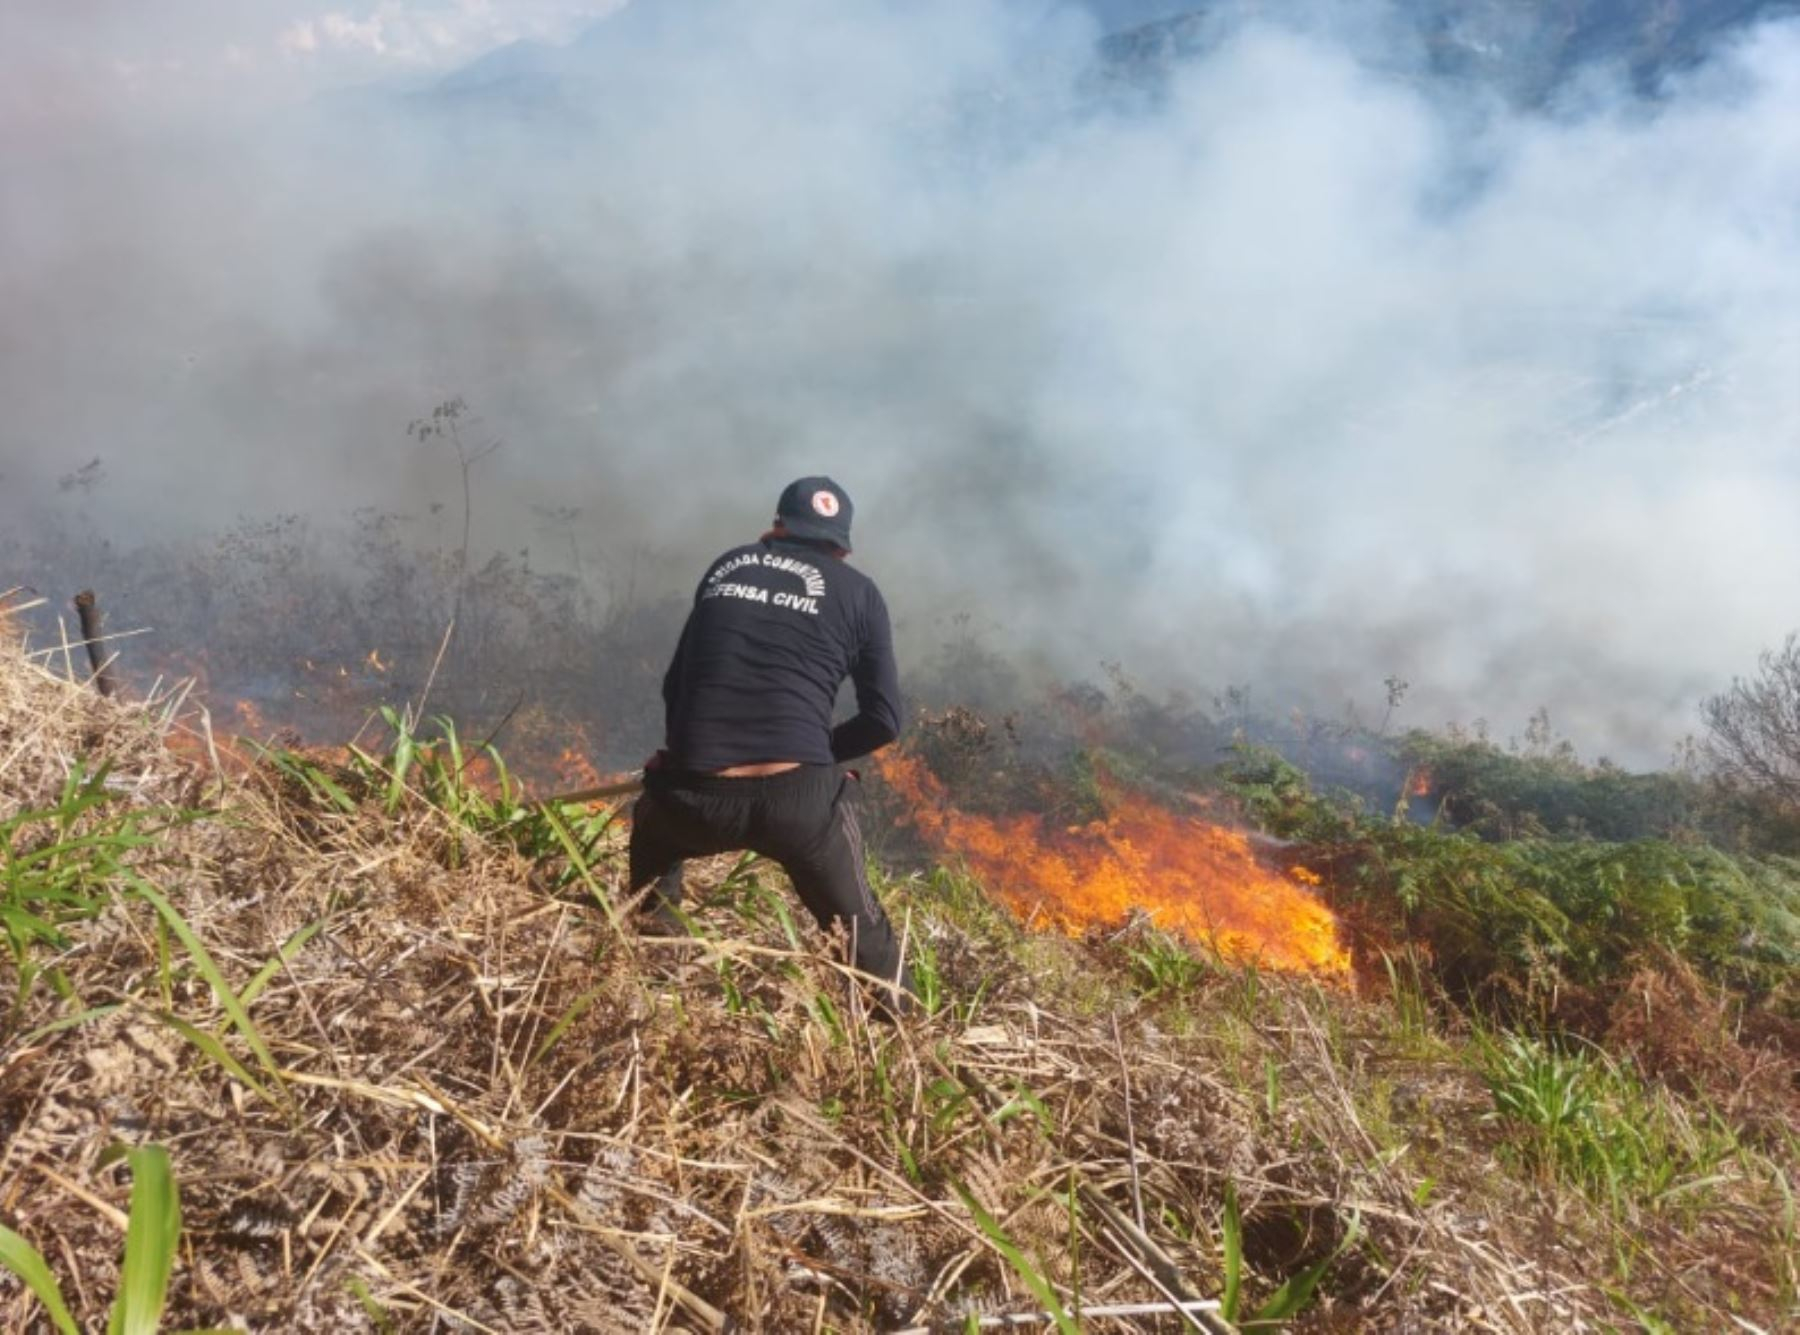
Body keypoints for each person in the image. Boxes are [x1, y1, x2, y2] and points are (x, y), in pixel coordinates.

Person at [628, 476, 913, 1010]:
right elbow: (883, 720)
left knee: (651, 832)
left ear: (775, 528)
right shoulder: (860, 593)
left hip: (693, 798)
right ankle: (905, 1029)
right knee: (863, 932)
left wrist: (676, 758)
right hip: (798, 804)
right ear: (842, 548)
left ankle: (655, 983)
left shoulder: (728, 565)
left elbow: (677, 683)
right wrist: (814, 751)